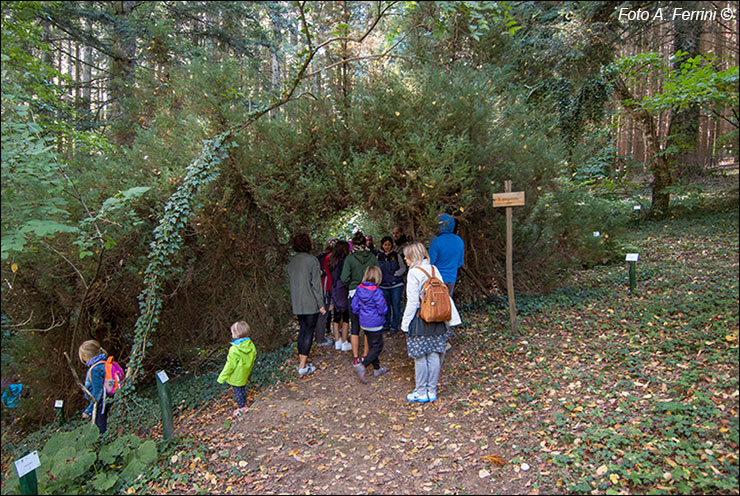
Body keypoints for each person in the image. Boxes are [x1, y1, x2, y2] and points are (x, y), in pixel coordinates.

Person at [400, 242, 461, 403]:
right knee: (434, 354)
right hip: (438, 318)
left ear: (413, 256)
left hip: (421, 318)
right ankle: (431, 391)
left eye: (406, 256)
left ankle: (421, 392)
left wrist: (405, 323)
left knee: (420, 356)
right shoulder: (434, 269)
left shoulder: (413, 273)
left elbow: (413, 301)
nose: (405, 259)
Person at [287, 232, 326, 376]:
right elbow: (316, 285)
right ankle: (303, 366)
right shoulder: (311, 260)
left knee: (302, 331)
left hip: (297, 302)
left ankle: (301, 363)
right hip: (310, 302)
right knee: (308, 332)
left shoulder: (292, 261)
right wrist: (321, 304)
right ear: (307, 243)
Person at [341, 231, 379, 365]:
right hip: (370, 293)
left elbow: (344, 278)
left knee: (355, 326)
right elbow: (379, 274)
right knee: (368, 327)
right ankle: (366, 354)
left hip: (354, 293)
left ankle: (356, 357)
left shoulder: (349, 259)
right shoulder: (372, 257)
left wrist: (353, 283)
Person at [351, 266, 388, 383]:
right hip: (375, 323)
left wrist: (361, 314)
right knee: (378, 346)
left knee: (373, 345)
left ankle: (377, 368)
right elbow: (382, 308)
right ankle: (363, 365)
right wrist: (383, 315)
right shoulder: (377, 292)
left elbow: (354, 306)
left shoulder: (359, 289)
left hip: (364, 322)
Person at [217, 321, 257, 416]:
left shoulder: (234, 349)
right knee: (242, 388)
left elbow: (230, 365)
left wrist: (222, 377)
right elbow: (254, 355)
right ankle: (244, 405)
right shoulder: (250, 344)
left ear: (236, 334)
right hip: (245, 372)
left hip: (236, 375)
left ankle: (242, 408)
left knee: (238, 391)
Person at [79, 340, 114, 434]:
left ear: (86, 356)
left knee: (100, 427)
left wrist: (89, 410)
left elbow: (98, 391)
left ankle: (103, 444)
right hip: (108, 397)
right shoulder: (104, 363)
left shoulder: (95, 369)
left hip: (101, 402)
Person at [428, 213, 464, 299]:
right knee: (448, 304)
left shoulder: (436, 242)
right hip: (452, 277)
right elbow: (460, 262)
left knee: (438, 306)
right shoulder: (459, 241)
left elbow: (430, 262)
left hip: (437, 279)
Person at [377, 235, 406, 336]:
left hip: (396, 285)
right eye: (385, 245)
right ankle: (386, 325)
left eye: (389, 245)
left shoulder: (396, 255)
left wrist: (397, 274)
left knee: (396, 305)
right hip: (383, 285)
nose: (387, 247)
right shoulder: (378, 256)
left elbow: (403, 267)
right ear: (382, 245)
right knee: (386, 306)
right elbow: (376, 270)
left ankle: (395, 326)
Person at [329, 240, 352, 351]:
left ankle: (337, 340)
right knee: (346, 315)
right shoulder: (345, 260)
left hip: (334, 288)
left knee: (336, 315)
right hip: (342, 288)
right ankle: (344, 341)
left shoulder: (332, 261)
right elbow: (346, 276)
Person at [315, 239, 337, 346]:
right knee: (324, 312)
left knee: (322, 312)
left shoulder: (321, 256)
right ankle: (320, 339)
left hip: (321, 285)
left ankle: (319, 336)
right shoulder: (330, 257)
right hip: (326, 286)